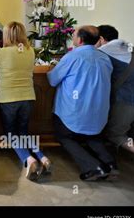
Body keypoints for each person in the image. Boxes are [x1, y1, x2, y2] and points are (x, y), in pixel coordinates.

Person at [47, 25, 117, 181]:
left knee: (64, 136)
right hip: (99, 113)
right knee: (93, 136)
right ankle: (110, 164)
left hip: (75, 113)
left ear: (79, 39)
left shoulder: (72, 57)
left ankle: (94, 167)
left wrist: (53, 68)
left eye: (74, 35)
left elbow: (52, 80)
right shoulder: (105, 58)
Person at [0, 22, 51, 181]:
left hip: (8, 98)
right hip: (28, 97)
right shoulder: (30, 51)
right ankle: (42, 157)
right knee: (23, 132)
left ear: (7, 36)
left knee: (10, 134)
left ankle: (28, 159)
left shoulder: (1, 52)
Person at [97, 25, 134, 160]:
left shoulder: (104, 50)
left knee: (115, 134)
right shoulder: (132, 48)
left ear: (101, 39)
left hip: (127, 100)